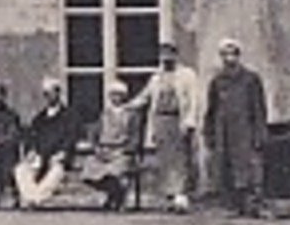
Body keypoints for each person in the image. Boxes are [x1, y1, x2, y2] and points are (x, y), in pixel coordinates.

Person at [131, 41, 201, 213]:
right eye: (163, 55)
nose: (166, 58)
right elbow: (145, 97)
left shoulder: (187, 75)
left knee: (181, 158)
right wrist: (127, 105)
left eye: (170, 54)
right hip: (160, 119)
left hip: (178, 119)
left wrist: (190, 120)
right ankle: (170, 195)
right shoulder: (157, 78)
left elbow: (194, 99)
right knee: (165, 159)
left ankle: (182, 194)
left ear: (176, 56)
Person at [204, 38, 269, 217]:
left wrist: (259, 132)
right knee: (226, 167)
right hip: (224, 130)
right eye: (225, 54)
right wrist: (209, 133)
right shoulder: (217, 81)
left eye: (232, 54)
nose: (229, 58)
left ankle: (253, 204)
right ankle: (231, 205)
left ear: (239, 56)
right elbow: (212, 109)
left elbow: (259, 108)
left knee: (249, 167)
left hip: (245, 130)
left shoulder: (250, 79)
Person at [15, 78, 79, 209]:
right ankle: (32, 198)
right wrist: (31, 150)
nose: (48, 97)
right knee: (21, 170)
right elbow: (32, 137)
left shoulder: (69, 116)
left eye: (51, 93)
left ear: (58, 93)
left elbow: (71, 137)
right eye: (45, 94)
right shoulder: (39, 118)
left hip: (59, 155)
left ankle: (35, 199)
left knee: (56, 171)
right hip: (40, 154)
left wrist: (63, 152)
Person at [81, 79, 143, 212]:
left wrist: (128, 149)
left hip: (122, 151)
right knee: (89, 170)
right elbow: (94, 132)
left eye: (119, 95)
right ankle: (114, 193)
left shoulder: (131, 114)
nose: (116, 98)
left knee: (118, 171)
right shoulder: (104, 113)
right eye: (113, 95)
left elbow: (135, 136)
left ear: (124, 96)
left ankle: (119, 198)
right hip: (104, 150)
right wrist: (96, 147)